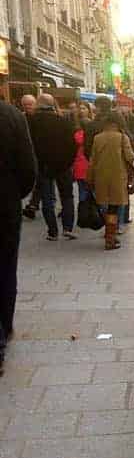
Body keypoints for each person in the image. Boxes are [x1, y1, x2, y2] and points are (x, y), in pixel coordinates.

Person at [0, 101, 36, 376]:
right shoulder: (11, 116)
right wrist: (15, 194)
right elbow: (27, 168)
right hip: (4, 204)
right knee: (4, 267)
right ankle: (4, 326)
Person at [28, 94, 76, 240]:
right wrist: (68, 162)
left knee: (47, 199)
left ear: (38, 104)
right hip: (63, 166)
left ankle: (52, 231)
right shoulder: (63, 121)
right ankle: (67, 228)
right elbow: (72, 145)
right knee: (67, 197)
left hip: (43, 166)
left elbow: (29, 146)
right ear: (52, 104)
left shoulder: (32, 122)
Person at [87, 116, 134, 250]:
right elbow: (130, 156)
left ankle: (109, 233)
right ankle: (110, 238)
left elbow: (92, 160)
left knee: (105, 206)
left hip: (101, 177)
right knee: (113, 208)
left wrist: (89, 178)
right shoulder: (122, 137)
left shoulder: (97, 138)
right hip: (118, 178)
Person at [20, 94, 40, 220]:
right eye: (25, 105)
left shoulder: (39, 118)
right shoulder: (20, 118)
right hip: (27, 152)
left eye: (30, 104)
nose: (28, 107)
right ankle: (33, 204)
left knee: (40, 181)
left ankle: (33, 204)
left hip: (39, 154)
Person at [72, 103, 91, 209]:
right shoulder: (78, 129)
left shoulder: (77, 132)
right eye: (80, 109)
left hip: (84, 163)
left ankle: (84, 212)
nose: (82, 110)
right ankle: (88, 212)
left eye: (84, 108)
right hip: (84, 163)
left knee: (83, 190)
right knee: (86, 190)